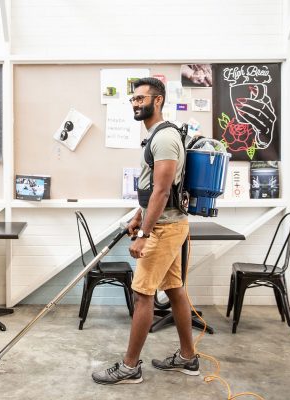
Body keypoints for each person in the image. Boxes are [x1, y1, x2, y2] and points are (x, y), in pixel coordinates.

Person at [92, 77, 199, 385]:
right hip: (166, 224)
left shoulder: (164, 138)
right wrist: (139, 216)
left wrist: (144, 234)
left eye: (141, 98)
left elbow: (163, 191)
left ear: (158, 100)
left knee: (142, 296)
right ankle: (189, 358)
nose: (136, 104)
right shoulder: (157, 135)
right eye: (134, 100)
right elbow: (154, 189)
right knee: (175, 289)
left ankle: (129, 367)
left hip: (164, 230)